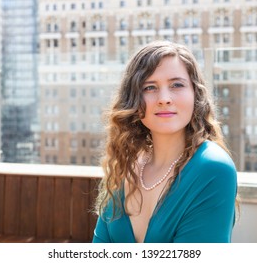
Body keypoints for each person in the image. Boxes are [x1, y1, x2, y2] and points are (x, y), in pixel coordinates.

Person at [93, 40, 237, 243]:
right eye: (150, 87)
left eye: (177, 84)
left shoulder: (213, 168)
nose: (164, 98)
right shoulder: (126, 164)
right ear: (133, 99)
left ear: (196, 95)